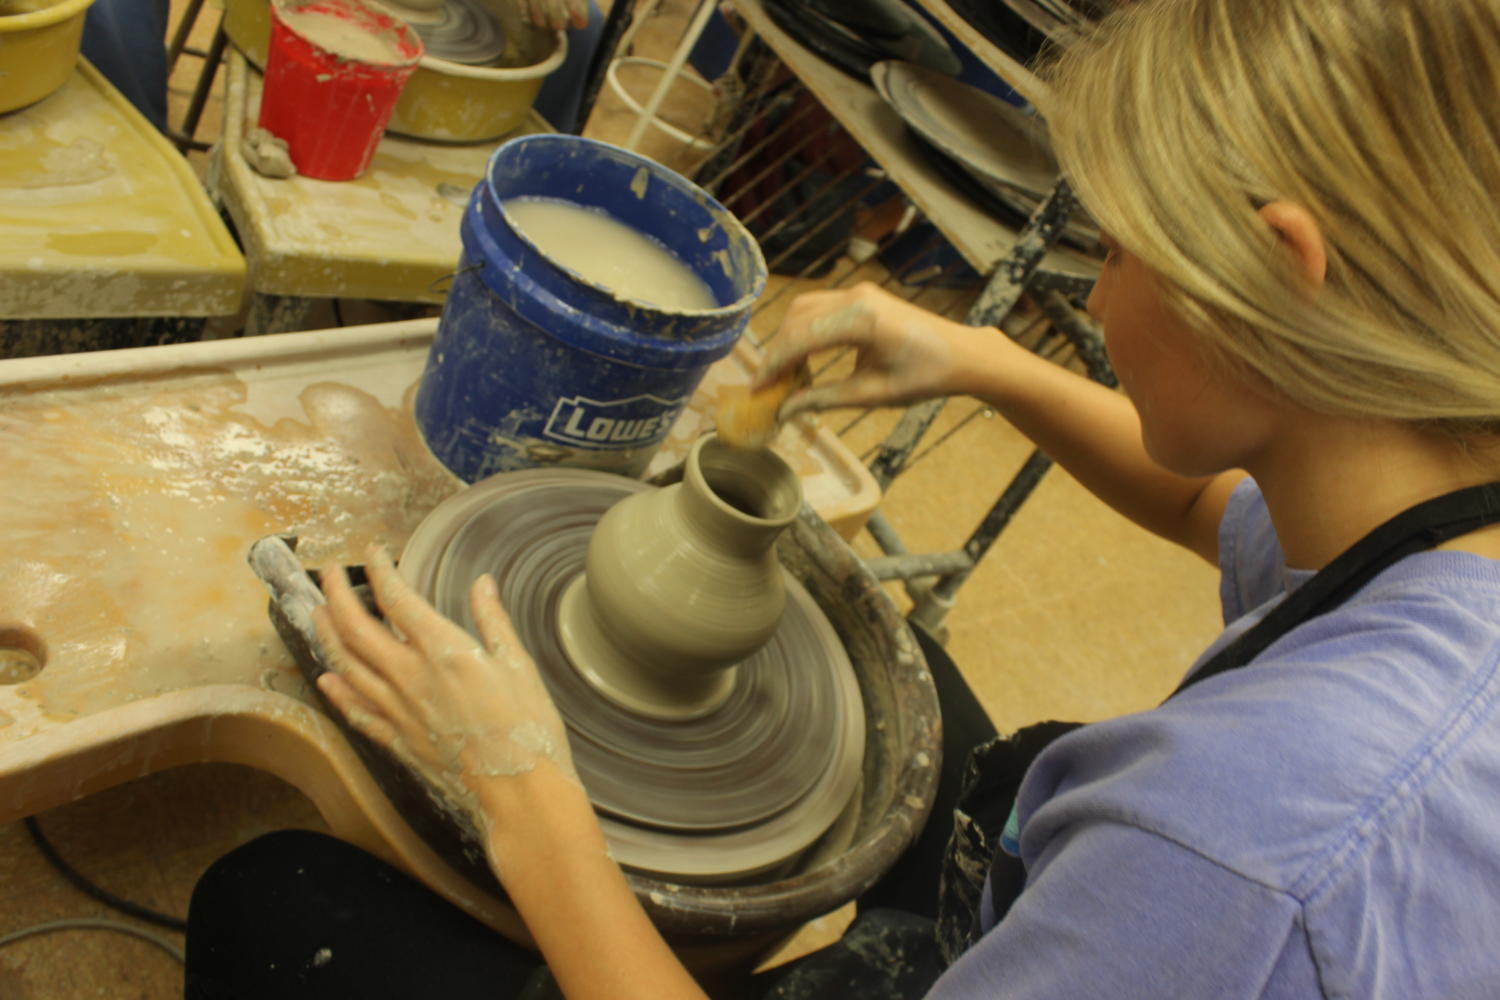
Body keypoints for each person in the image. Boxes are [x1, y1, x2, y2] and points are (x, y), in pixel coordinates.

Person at [185, 0, 1500, 996]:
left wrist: (522, 794)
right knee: (909, 688)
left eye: (1119, 248)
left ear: (1278, 269)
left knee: (274, 905)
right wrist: (977, 361)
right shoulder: (1439, 502)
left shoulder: (1229, 853)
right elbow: (1232, 515)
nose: (1094, 298)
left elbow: (1224, 867)